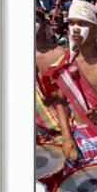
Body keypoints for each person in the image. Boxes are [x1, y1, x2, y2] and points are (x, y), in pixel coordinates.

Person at [45, 0, 97, 170]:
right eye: (72, 23)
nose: (75, 28)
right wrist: (67, 138)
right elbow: (60, 102)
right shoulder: (66, 62)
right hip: (77, 136)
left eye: (83, 23)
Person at [35, 14, 67, 145]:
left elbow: (71, 86)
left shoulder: (60, 52)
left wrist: (56, 95)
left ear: (43, 25)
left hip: (62, 122)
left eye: (35, 20)